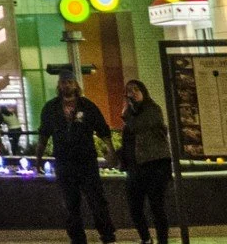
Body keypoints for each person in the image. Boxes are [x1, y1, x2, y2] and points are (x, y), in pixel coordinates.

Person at [37, 71, 117, 244]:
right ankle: (77, 238)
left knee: (97, 200)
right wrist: (38, 159)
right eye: (64, 82)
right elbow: (43, 135)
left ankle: (107, 235)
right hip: (64, 163)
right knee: (70, 204)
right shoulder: (51, 108)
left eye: (70, 82)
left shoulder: (87, 106)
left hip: (86, 161)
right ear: (59, 85)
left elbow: (102, 129)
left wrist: (111, 151)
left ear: (76, 85)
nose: (67, 85)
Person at [120, 79, 172, 244]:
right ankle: (146, 238)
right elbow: (128, 141)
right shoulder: (130, 115)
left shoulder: (152, 109)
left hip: (155, 165)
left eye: (136, 89)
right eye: (129, 90)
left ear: (143, 91)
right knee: (134, 208)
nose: (133, 92)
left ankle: (162, 240)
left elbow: (140, 126)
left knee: (157, 207)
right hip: (135, 168)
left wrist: (127, 113)